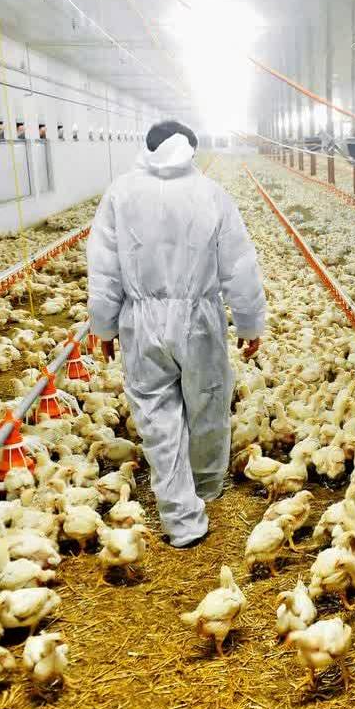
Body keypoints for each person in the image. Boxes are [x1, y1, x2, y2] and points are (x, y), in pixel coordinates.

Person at [87, 120, 266, 548]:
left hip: (141, 320)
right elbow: (238, 263)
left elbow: (104, 267)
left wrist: (104, 325)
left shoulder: (120, 193)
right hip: (199, 318)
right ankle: (206, 485)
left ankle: (182, 520)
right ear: (192, 149)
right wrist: (249, 321)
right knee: (208, 402)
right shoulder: (210, 193)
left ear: (146, 148)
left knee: (155, 416)